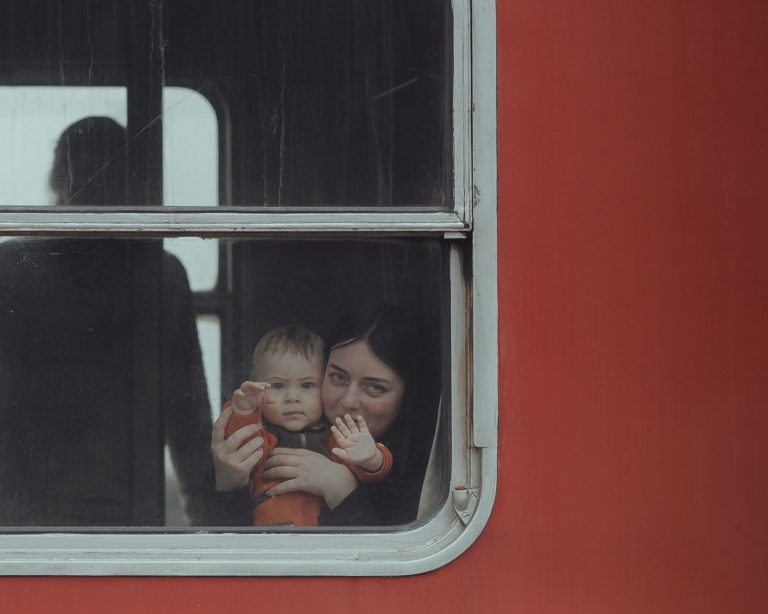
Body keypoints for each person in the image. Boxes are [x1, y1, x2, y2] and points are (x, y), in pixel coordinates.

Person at [0, 117, 213, 525]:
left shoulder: (12, 264)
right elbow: (188, 415)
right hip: (119, 502)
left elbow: (187, 411)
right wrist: (205, 518)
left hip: (23, 508)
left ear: (57, 179)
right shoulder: (160, 272)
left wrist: (206, 518)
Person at [209, 305, 440, 526]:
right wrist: (229, 482)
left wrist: (341, 488)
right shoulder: (257, 439)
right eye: (338, 377)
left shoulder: (433, 475)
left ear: (407, 396)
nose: (349, 401)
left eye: (375, 387)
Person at [221, 325, 393, 526]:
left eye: (307, 385)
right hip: (268, 540)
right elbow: (238, 442)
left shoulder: (336, 436)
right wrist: (244, 411)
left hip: (321, 542)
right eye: (278, 386)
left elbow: (365, 465)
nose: (293, 397)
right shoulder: (260, 434)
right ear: (258, 389)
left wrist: (374, 459)